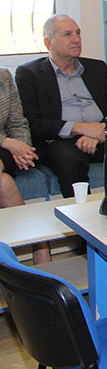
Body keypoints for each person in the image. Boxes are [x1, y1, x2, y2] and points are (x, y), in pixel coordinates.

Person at [15, 15, 107, 198]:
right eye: (67, 34)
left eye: (78, 33)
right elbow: (35, 123)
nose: (76, 39)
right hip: (59, 141)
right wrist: (80, 128)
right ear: (49, 43)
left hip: (100, 136)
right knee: (69, 158)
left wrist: (99, 132)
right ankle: (81, 211)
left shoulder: (97, 68)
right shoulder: (29, 73)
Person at [0, 68, 51, 263]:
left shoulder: (3, 76)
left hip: (4, 151)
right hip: (4, 144)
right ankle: (41, 247)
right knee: (4, 183)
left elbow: (17, 122)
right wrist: (6, 141)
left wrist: (24, 149)